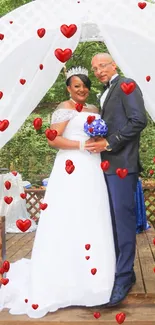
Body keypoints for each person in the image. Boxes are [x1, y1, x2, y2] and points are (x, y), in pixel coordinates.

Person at [0, 66, 116, 318]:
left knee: (92, 215)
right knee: (67, 215)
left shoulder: (94, 110)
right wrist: (83, 144)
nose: (82, 89)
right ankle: (63, 280)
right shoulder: (62, 110)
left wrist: (97, 143)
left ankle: (94, 282)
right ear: (68, 88)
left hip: (93, 168)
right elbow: (53, 140)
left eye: (85, 85)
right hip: (70, 167)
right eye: (77, 86)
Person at [85, 53, 147, 306]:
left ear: (115, 65)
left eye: (102, 65)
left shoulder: (126, 84)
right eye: (95, 68)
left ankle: (122, 278)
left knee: (123, 222)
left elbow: (138, 120)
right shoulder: (105, 92)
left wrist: (109, 142)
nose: (98, 70)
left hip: (122, 165)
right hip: (104, 167)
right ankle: (122, 271)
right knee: (109, 221)